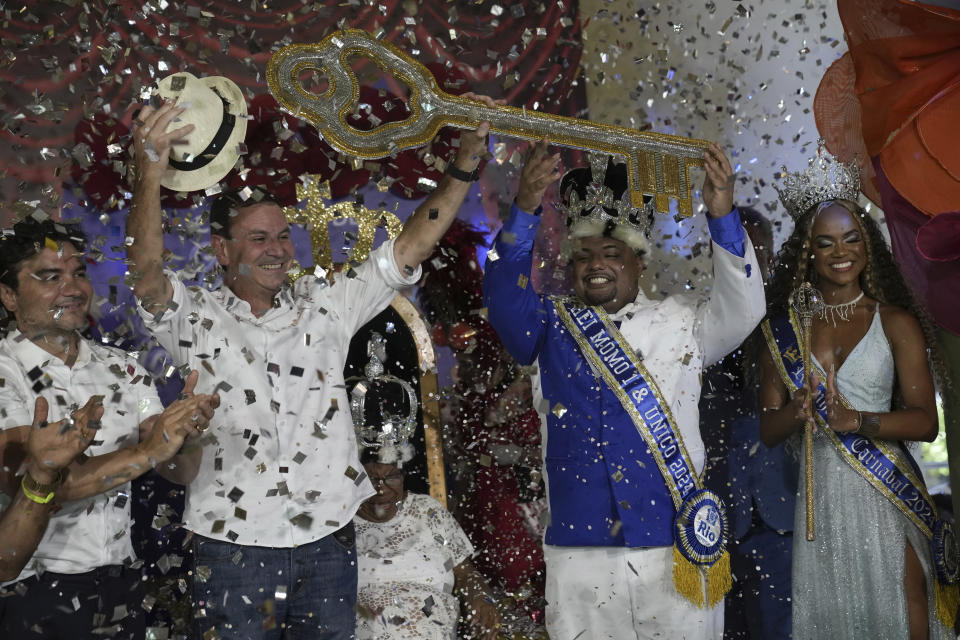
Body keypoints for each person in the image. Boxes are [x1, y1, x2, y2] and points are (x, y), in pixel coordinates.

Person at [124, 72, 497, 638]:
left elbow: (409, 247)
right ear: (222, 250)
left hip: (327, 542)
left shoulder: (327, 305)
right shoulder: (194, 317)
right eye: (259, 239)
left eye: (281, 237)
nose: (277, 250)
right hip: (232, 550)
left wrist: (466, 163)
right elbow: (146, 273)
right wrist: (149, 175)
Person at [483, 140, 766, 639]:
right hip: (580, 554)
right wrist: (525, 208)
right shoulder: (549, 324)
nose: (596, 265)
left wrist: (721, 214)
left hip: (672, 547)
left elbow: (745, 310)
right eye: (584, 255)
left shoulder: (684, 322)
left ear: (640, 262)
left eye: (612, 253)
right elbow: (504, 298)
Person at [758, 150, 956, 639]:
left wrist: (859, 421)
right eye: (825, 243)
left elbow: (925, 423)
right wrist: (799, 412)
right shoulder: (786, 330)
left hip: (885, 492)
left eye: (851, 238)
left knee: (906, 607)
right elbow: (768, 427)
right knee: (836, 616)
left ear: (867, 244)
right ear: (807, 253)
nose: (840, 252)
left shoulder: (895, 322)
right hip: (821, 496)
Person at [0, 216, 219, 639]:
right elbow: (49, 484)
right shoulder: (5, 374)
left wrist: (188, 433)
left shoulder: (125, 370)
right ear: (8, 294)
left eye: (79, 273)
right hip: (31, 589)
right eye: (50, 277)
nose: (73, 288)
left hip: (122, 582)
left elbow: (178, 468)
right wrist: (150, 451)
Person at [349, 332, 500, 639]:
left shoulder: (427, 511)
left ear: (403, 475)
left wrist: (481, 600)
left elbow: (466, 574)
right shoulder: (340, 520)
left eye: (391, 477)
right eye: (373, 478)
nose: (382, 488)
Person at [699, 208, 795, 639]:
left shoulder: (795, 329)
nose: (748, 266)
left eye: (757, 256)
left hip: (782, 513)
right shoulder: (694, 327)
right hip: (715, 518)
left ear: (772, 260)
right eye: (738, 256)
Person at [0, 396, 100, 581]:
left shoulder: (128, 372)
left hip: (117, 567)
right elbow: (5, 569)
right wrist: (146, 453)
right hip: (37, 574)